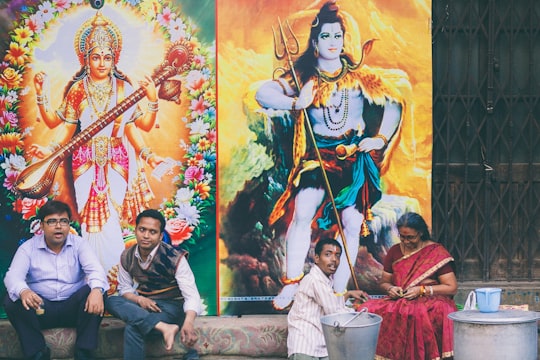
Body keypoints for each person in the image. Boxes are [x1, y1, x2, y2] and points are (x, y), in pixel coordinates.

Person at [255, 0, 409, 309]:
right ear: (314, 43)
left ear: (343, 40)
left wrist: (378, 139)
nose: (332, 43)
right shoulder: (303, 78)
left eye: (337, 36)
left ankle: (338, 291)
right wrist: (296, 103)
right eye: (325, 37)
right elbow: (263, 93)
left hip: (352, 159)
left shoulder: (359, 77)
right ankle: (292, 282)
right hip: (317, 157)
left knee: (351, 223)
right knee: (302, 212)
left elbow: (393, 103)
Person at [28, 11, 164, 276]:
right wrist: (48, 148)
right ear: (86, 58)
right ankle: (93, 279)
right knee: (90, 223)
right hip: (83, 162)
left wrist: (149, 151)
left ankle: (115, 280)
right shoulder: (78, 89)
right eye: (95, 57)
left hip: (116, 159)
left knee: (111, 218)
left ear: (114, 58)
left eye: (107, 57)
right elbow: (64, 129)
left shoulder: (124, 88)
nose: (101, 63)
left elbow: (138, 128)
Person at [3, 200, 109, 360]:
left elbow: (96, 270)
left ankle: (84, 351)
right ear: (42, 225)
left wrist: (96, 290)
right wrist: (24, 291)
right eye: (52, 221)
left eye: (63, 221)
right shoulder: (28, 248)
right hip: (41, 309)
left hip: (73, 309)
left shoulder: (79, 244)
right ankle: (37, 352)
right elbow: (12, 276)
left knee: (97, 290)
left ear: (68, 224)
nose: (58, 226)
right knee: (12, 299)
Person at [357, 212, 458, 360]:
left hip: (430, 298)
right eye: (402, 237)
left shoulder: (436, 252)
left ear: (421, 233)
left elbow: (451, 287)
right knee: (367, 309)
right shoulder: (394, 251)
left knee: (428, 312)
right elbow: (384, 282)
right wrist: (391, 289)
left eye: (410, 237)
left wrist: (422, 290)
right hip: (401, 298)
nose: (406, 241)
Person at [105, 209, 201, 360]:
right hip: (144, 304)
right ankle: (163, 327)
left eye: (152, 231)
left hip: (171, 306)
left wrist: (188, 322)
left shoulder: (175, 258)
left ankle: (165, 325)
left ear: (160, 235)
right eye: (142, 229)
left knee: (134, 327)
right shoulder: (127, 255)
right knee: (110, 300)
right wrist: (139, 300)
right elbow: (124, 288)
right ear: (135, 230)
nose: (146, 235)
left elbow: (192, 296)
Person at [287, 237, 368, 360]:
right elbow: (334, 312)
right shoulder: (315, 280)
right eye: (328, 254)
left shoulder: (325, 281)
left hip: (319, 345)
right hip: (304, 346)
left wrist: (348, 294)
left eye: (338, 255)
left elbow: (328, 302)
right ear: (317, 258)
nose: (334, 260)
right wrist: (360, 314)